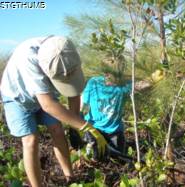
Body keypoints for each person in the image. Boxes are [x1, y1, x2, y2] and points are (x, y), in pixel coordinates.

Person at [0, 36, 107, 187]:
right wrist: (86, 127)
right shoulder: (29, 59)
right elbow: (47, 104)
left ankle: (70, 177)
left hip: (44, 96)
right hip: (17, 97)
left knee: (57, 130)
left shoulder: (65, 49)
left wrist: (75, 124)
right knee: (31, 140)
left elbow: (73, 90)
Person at [69, 56, 163, 161]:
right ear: (105, 73)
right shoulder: (94, 83)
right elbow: (84, 105)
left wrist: (153, 78)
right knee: (95, 159)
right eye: (112, 74)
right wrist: (80, 127)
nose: (116, 78)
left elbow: (139, 86)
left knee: (118, 161)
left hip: (115, 132)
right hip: (94, 130)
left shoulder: (123, 86)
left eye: (119, 74)